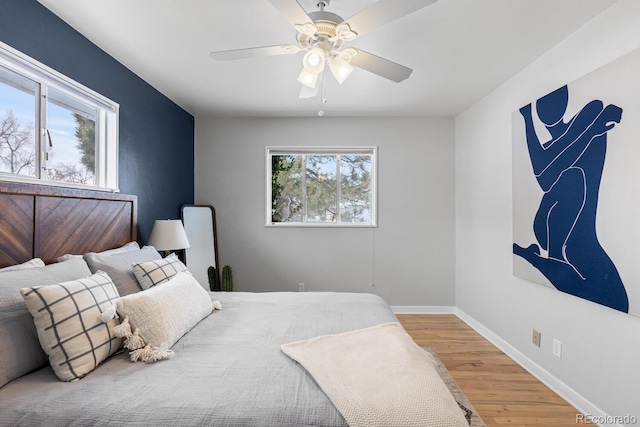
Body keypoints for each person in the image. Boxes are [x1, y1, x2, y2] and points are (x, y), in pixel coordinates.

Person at [513, 85, 629, 312]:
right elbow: (543, 175)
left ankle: (536, 257)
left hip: (563, 231)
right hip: (557, 229)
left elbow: (544, 172)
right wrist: (527, 118)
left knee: (616, 301)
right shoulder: (566, 140)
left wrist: (528, 118)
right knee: (573, 179)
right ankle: (543, 256)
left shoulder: (590, 114)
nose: (548, 109)